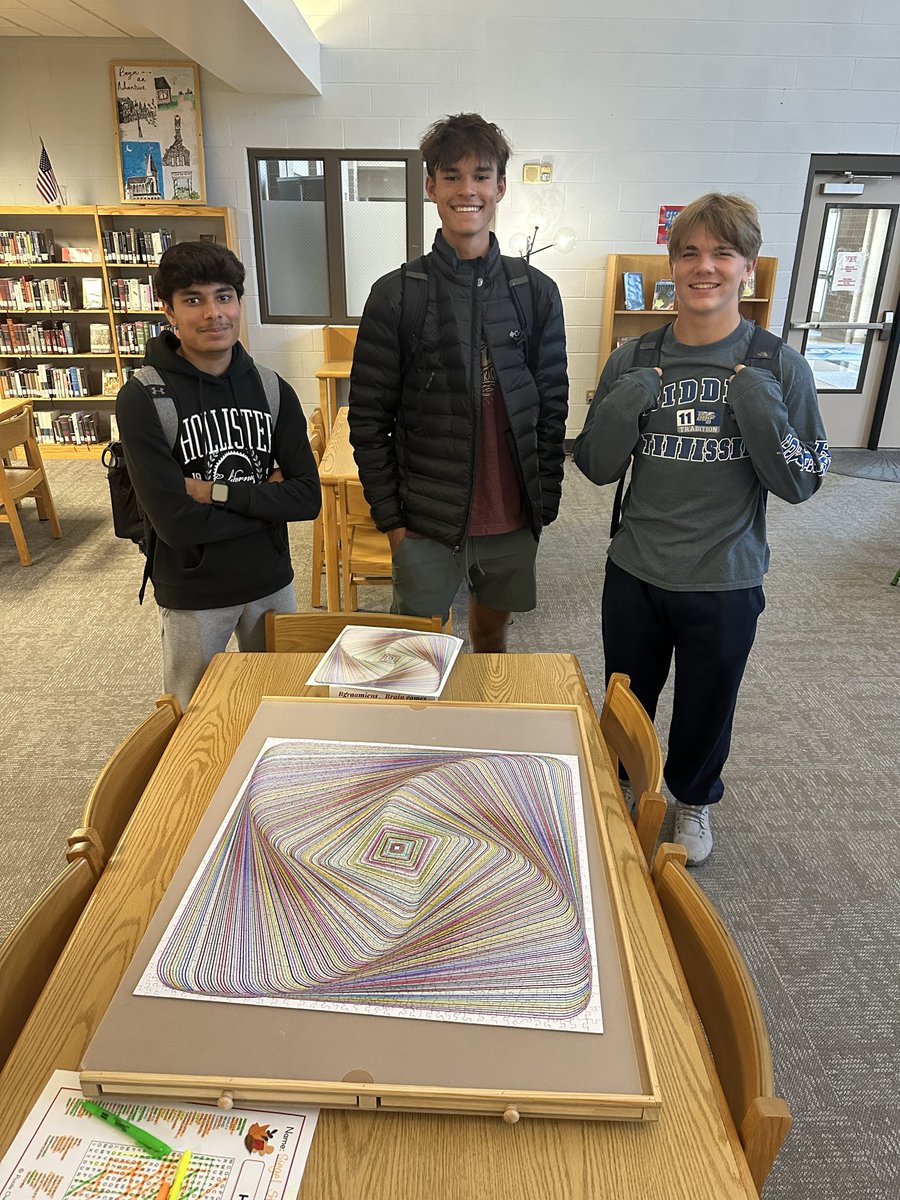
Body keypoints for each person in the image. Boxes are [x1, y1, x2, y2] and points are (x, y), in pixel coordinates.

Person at [573, 193, 830, 864]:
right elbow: (597, 468)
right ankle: (623, 786)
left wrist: (761, 410)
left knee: (708, 703)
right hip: (635, 569)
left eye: (723, 253)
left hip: (725, 575)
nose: (704, 267)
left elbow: (804, 479)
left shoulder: (779, 366)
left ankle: (693, 801)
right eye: (690, 252)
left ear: (748, 266)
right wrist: (625, 404)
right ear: (672, 265)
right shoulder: (633, 360)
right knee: (626, 695)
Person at [347, 112, 569, 651]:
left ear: (500, 186)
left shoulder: (534, 291)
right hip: (424, 519)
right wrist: (392, 522)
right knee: (417, 648)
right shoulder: (397, 293)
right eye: (451, 176)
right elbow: (369, 420)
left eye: (480, 175)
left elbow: (551, 407)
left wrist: (543, 505)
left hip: (510, 516)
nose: (466, 189)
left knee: (492, 638)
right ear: (430, 186)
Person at [116, 240, 320, 709]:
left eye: (224, 296)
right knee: (192, 713)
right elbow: (176, 523)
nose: (213, 313)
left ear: (240, 302)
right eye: (193, 299)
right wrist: (268, 499)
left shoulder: (272, 389)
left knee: (282, 703)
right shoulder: (144, 398)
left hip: (271, 580)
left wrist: (213, 492)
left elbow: (307, 499)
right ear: (167, 310)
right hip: (193, 589)